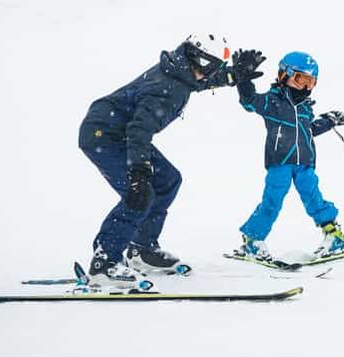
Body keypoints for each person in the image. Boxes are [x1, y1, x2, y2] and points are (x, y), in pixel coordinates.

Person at [78, 34, 265, 288]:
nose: (212, 73)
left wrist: (234, 75)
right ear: (199, 60)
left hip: (117, 130)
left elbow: (198, 83)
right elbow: (139, 131)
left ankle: (142, 249)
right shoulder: (169, 88)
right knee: (140, 194)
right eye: (213, 67)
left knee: (167, 180)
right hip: (104, 134)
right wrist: (139, 172)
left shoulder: (179, 71)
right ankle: (105, 262)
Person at [233, 51, 344, 261]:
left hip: (305, 164)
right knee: (272, 202)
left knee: (314, 198)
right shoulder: (273, 102)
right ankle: (252, 240)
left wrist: (329, 120)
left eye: (311, 82)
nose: (306, 87)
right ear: (285, 75)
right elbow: (249, 101)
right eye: (301, 80)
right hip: (280, 162)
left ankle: (333, 234)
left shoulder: (305, 108)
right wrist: (243, 79)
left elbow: (308, 130)